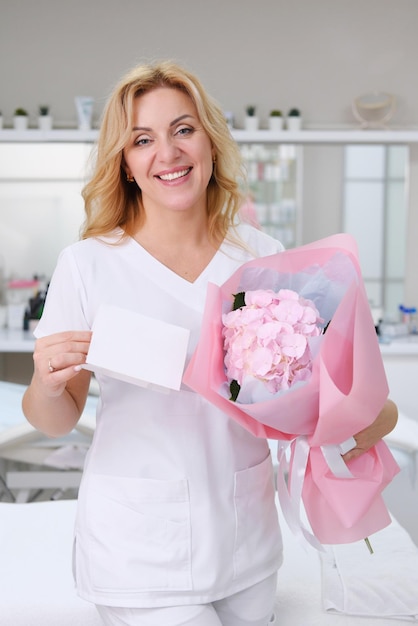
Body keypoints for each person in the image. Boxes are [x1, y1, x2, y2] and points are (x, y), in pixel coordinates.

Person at [22, 60, 398, 626]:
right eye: (142, 139)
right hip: (138, 546)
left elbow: (320, 391)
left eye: (183, 129)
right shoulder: (88, 266)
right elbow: (54, 418)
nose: (167, 153)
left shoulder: (262, 256)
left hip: (246, 539)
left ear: (210, 142)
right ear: (125, 164)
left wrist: (351, 411)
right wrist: (47, 384)